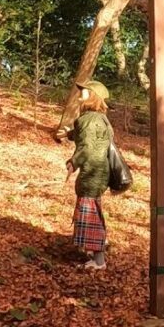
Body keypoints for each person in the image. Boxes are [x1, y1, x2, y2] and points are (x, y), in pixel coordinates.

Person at [66, 80, 112, 271]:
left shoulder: (90, 119)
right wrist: (69, 134)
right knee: (93, 211)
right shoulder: (99, 118)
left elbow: (87, 146)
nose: (80, 94)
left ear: (93, 95)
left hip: (92, 172)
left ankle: (99, 260)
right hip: (99, 171)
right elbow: (86, 137)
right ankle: (95, 254)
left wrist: (72, 163)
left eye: (84, 91)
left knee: (90, 214)